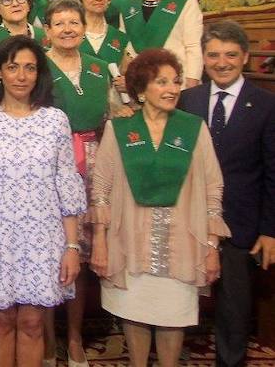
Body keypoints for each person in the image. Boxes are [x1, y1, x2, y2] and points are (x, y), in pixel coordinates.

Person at [90, 49, 230, 367]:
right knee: (135, 312)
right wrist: (99, 240)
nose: (172, 88)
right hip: (130, 242)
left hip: (181, 243)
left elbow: (213, 189)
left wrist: (211, 246)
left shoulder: (194, 128)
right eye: (162, 81)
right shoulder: (119, 129)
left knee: (172, 315)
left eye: (176, 81)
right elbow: (101, 190)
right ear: (141, 89)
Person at [0, 35, 86, 367]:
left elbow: (67, 188)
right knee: (0, 323)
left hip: (43, 240)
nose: (22, 75)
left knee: (31, 323)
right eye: (13, 67)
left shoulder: (55, 121)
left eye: (29, 67)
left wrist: (72, 247)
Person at [178, 21, 275, 367]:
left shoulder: (265, 105)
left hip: (239, 223)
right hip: (189, 218)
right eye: (214, 55)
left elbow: (272, 173)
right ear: (203, 58)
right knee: (179, 297)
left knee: (234, 305)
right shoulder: (187, 100)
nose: (222, 63)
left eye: (231, 55)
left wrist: (269, 230)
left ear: (245, 57)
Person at [41, 0, 114, 367]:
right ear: (47, 30)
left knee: (80, 254)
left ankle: (73, 338)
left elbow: (117, 116)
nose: (68, 29)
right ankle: (46, 339)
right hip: (48, 168)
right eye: (60, 23)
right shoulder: (37, 67)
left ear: (84, 27)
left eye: (74, 22)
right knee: (49, 252)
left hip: (96, 167)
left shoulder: (102, 68)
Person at [120, 0, 202, 88]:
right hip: (143, 84)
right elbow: (126, 49)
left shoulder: (185, 1)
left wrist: (192, 81)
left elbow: (194, 46)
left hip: (177, 83)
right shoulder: (128, 6)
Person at [77, 0, 133, 104]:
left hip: (116, 110)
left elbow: (132, 77)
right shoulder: (71, 35)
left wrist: (128, 84)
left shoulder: (120, 38)